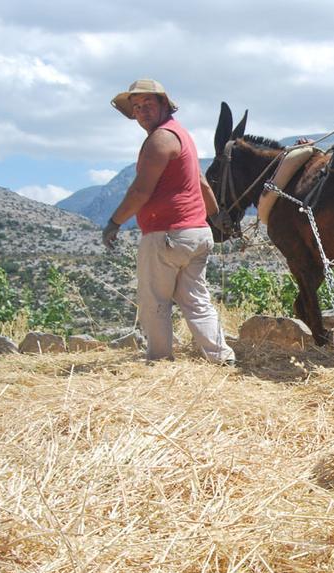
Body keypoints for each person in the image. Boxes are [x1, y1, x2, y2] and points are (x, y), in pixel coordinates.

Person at [104, 79, 235, 365]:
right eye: (136, 107)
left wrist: (114, 222)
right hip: (197, 234)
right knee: (196, 301)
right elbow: (201, 183)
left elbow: (140, 191)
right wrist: (215, 217)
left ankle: (160, 361)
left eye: (148, 104)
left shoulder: (159, 139)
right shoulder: (182, 135)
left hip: (167, 235)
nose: (141, 111)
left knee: (155, 302)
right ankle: (222, 358)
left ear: (164, 104)